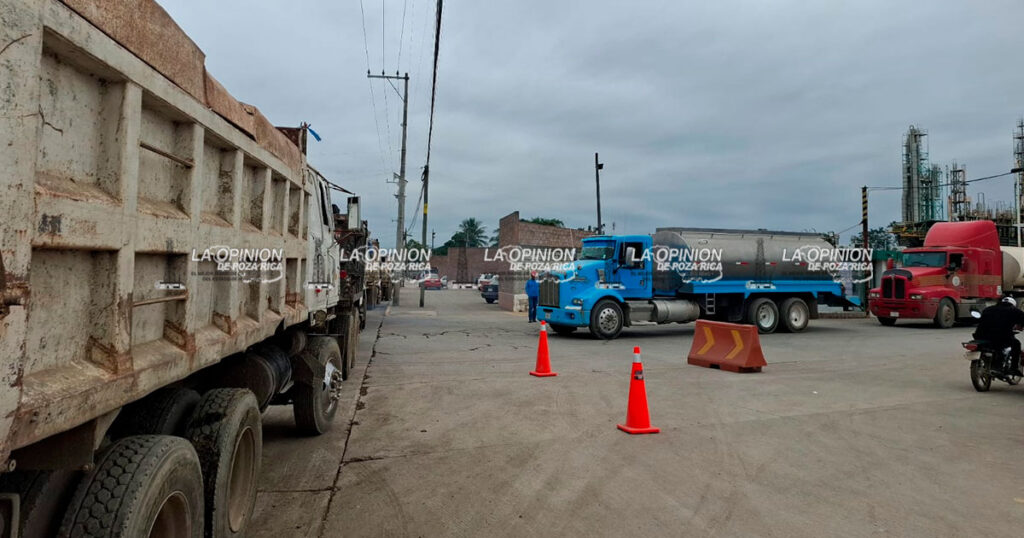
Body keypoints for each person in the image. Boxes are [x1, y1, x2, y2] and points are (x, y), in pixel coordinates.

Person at [973, 296, 1024, 375]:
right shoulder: (1015, 311)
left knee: (996, 346)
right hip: (1000, 337)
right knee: (1016, 344)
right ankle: (1013, 368)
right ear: (1013, 304)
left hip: (980, 336)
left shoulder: (988, 309)